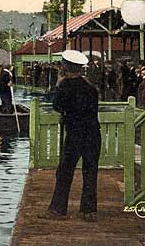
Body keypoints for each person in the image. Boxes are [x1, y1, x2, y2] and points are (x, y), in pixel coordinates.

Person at [40, 50, 100, 222]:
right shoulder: (90, 88)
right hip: (92, 133)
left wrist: (58, 86)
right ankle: (88, 211)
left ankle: (58, 210)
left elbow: (57, 106)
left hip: (74, 133)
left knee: (65, 171)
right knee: (90, 171)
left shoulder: (65, 86)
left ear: (65, 67)